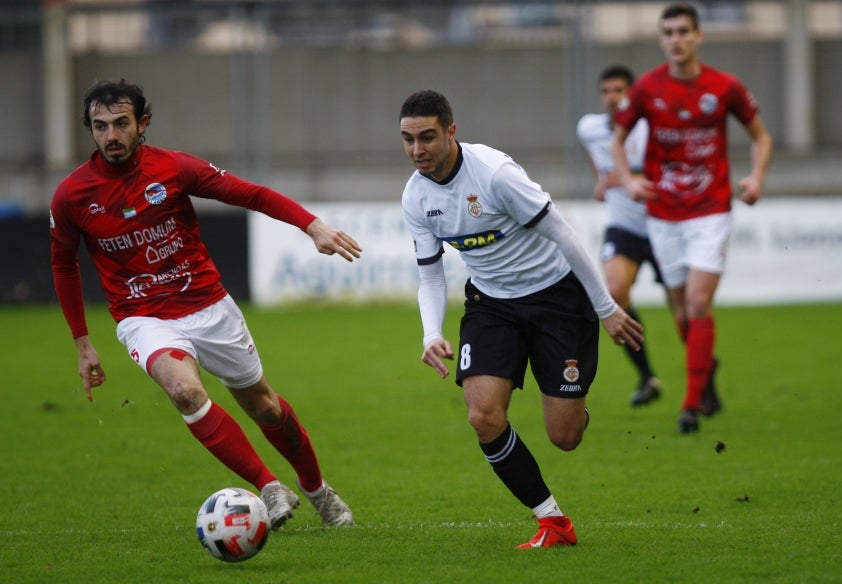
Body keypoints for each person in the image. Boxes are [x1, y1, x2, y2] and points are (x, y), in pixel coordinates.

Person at [50, 79, 361, 529]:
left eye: (121, 123)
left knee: (266, 407)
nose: (111, 136)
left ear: (143, 124)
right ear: (91, 130)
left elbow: (249, 193)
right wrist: (82, 341)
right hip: (143, 317)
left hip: (209, 307)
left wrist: (310, 225)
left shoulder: (174, 168)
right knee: (185, 391)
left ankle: (318, 491)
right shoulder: (72, 194)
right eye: (100, 127)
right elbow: (63, 265)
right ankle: (269, 486)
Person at [399, 90, 644, 549]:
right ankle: (552, 521)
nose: (417, 150)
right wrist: (431, 333)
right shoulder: (415, 197)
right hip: (492, 306)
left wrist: (605, 308)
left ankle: (572, 404)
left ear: (451, 132)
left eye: (427, 137)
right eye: (408, 140)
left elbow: (565, 236)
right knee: (483, 415)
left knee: (565, 437)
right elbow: (429, 276)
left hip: (557, 300)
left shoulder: (494, 174)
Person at [611, 3, 772, 433]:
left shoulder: (724, 86)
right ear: (661, 40)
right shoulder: (647, 88)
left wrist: (755, 177)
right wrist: (628, 180)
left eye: (684, 31)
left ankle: (690, 403)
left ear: (698, 36)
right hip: (662, 214)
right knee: (682, 313)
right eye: (669, 32)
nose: (676, 39)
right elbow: (619, 139)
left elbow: (760, 136)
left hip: (711, 210)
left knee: (700, 302)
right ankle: (707, 373)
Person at [577, 64, 671, 407]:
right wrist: (603, 178)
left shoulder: (651, 129)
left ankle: (701, 382)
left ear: (632, 94)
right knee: (615, 292)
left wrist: (626, 177)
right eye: (606, 91)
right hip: (624, 226)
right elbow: (597, 158)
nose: (612, 97)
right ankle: (648, 377)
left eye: (619, 90)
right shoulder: (589, 128)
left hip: (663, 227)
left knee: (686, 314)